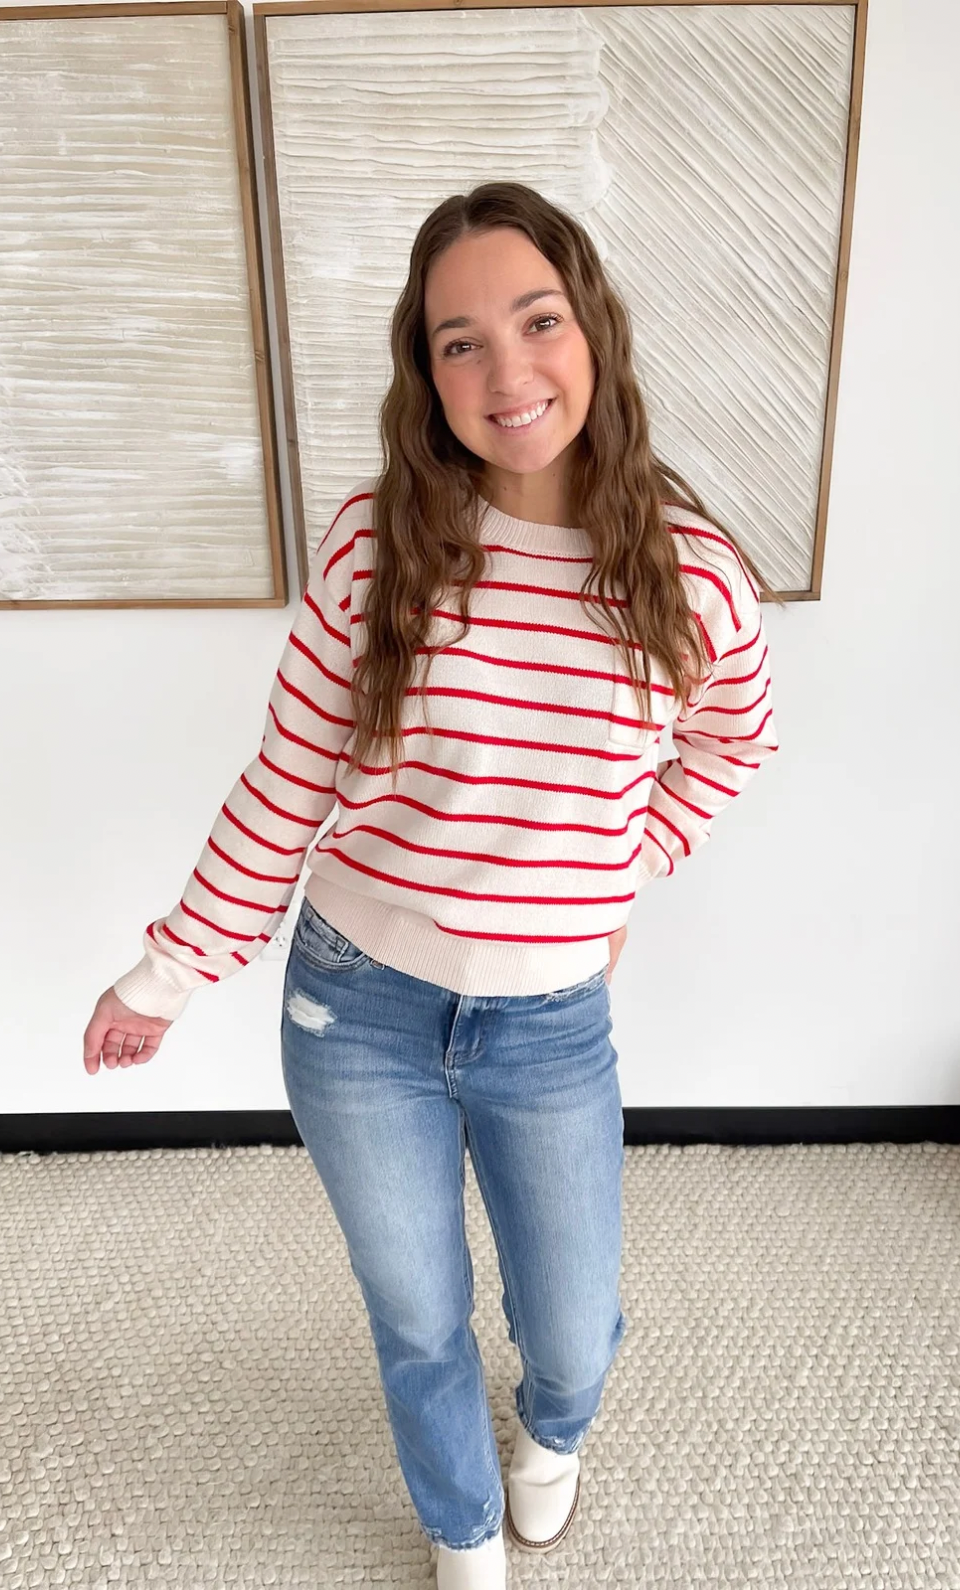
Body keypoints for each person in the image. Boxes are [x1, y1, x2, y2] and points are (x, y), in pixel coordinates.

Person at [83, 181, 781, 1589]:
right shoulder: (379, 547)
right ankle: (462, 1527)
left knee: (572, 1329)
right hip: (357, 1007)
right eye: (462, 342)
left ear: (594, 329)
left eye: (537, 321)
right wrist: (164, 974)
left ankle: (551, 1437)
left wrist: (620, 870)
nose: (508, 370)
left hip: (551, 1023)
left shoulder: (692, 578)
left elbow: (734, 744)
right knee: (416, 1312)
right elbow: (285, 784)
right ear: (427, 371)